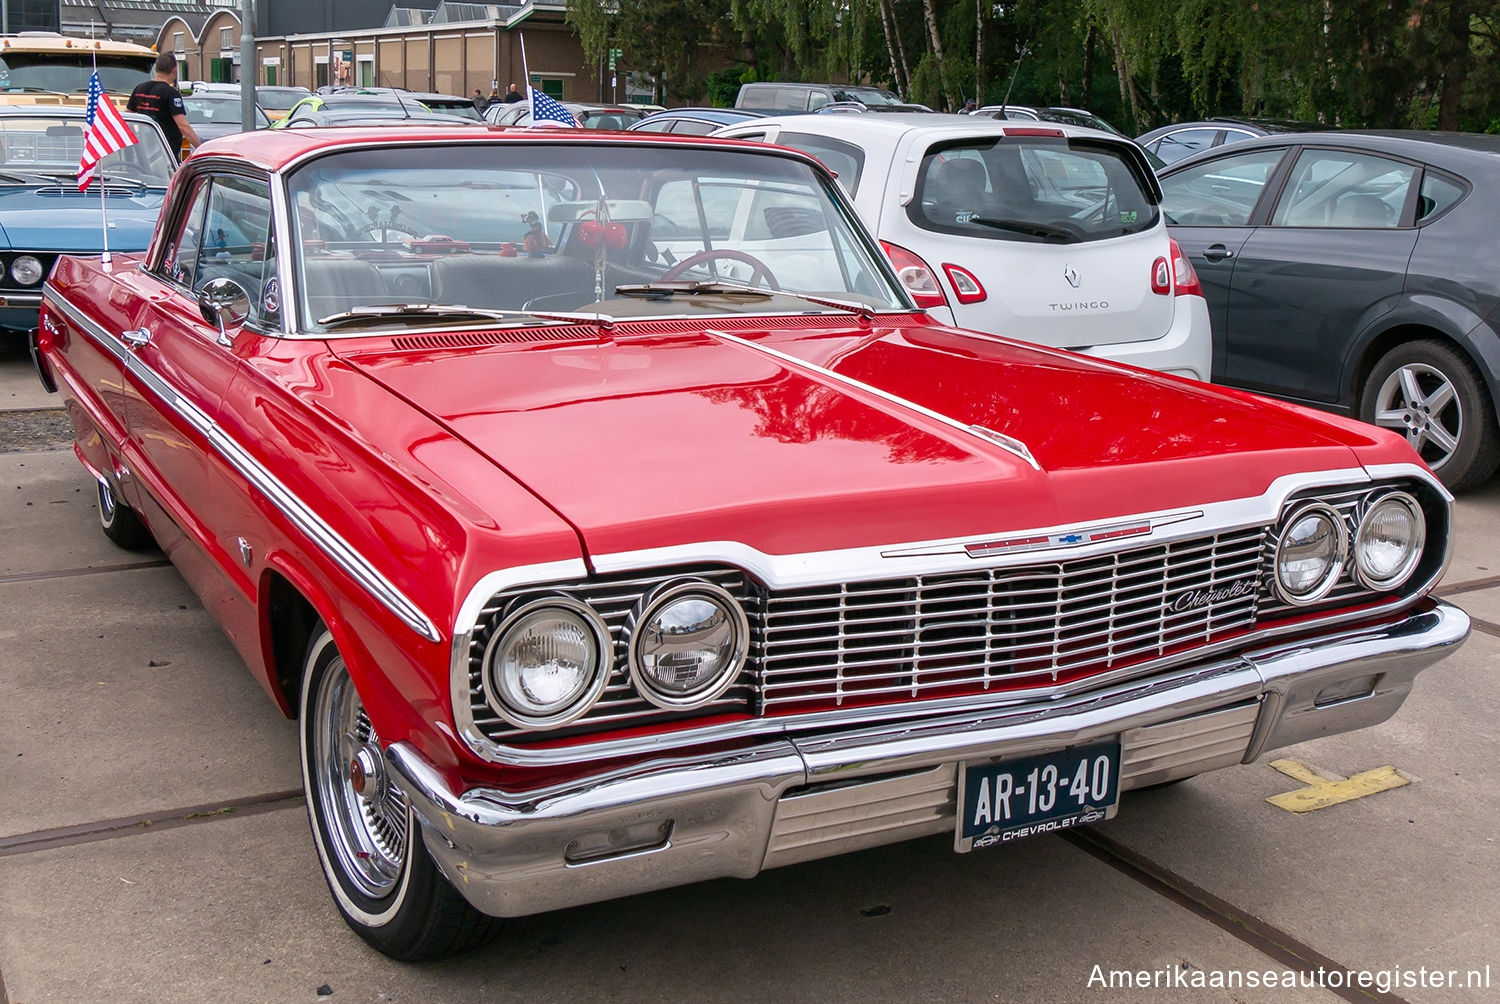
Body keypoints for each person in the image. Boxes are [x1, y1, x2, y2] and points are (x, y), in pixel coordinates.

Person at [127, 52, 202, 161]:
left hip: (143, 154)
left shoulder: (139, 89)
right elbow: (183, 126)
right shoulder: (171, 94)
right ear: (174, 71)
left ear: (156, 69)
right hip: (165, 154)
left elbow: (127, 118)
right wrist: (200, 147)